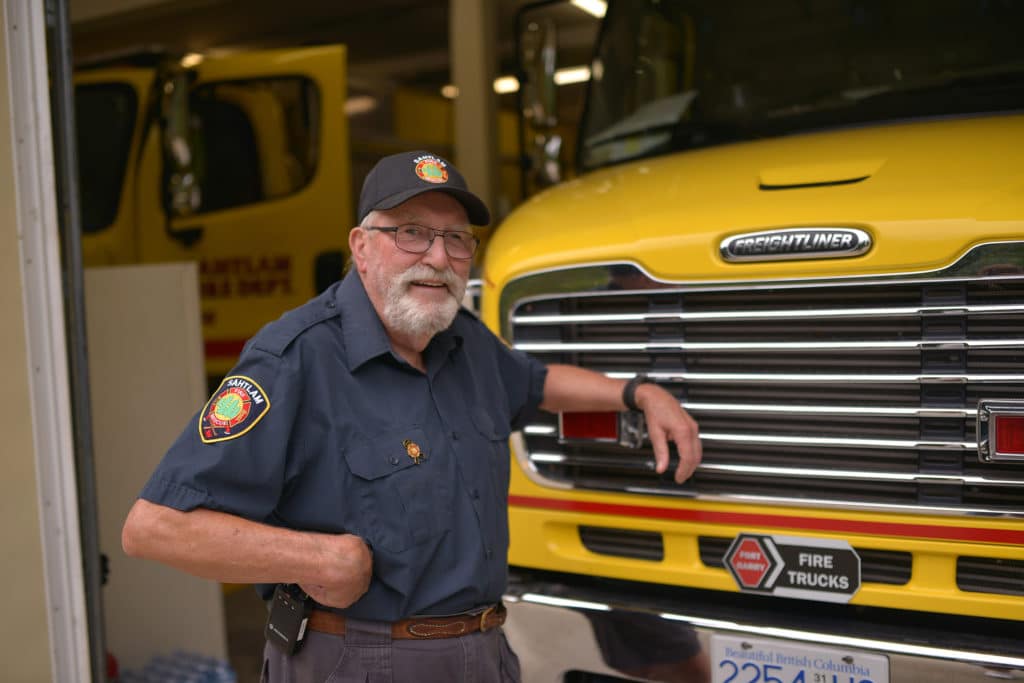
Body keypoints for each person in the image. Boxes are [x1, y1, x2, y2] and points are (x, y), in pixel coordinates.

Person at [121, 150, 702, 682]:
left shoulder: (463, 340)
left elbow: (538, 382)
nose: (438, 257)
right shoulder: (293, 360)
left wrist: (636, 393)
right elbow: (155, 527)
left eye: (457, 239)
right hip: (357, 660)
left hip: (483, 653)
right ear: (361, 245)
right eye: (412, 233)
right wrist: (319, 557)